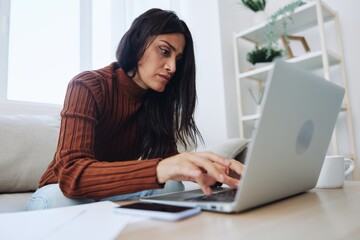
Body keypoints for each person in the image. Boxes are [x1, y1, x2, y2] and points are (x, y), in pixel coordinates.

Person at [28, 8, 244, 210]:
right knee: (59, 201)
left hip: (108, 191)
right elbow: (70, 173)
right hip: (60, 191)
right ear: (138, 42)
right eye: (164, 51)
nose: (173, 67)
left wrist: (218, 170)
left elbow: (172, 162)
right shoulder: (88, 85)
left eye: (177, 59)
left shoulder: (157, 103)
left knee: (172, 187)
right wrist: (159, 169)